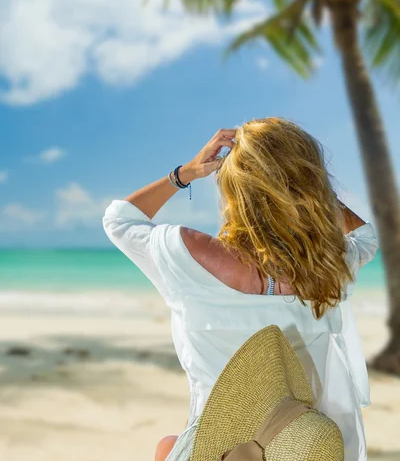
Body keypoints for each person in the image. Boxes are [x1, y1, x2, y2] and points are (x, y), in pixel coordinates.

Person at [102, 118, 379, 461]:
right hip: (304, 448)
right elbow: (367, 237)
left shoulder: (188, 255)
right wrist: (308, 189)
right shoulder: (330, 267)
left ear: (232, 186)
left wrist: (185, 173)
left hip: (217, 450)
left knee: (167, 447)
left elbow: (119, 219)